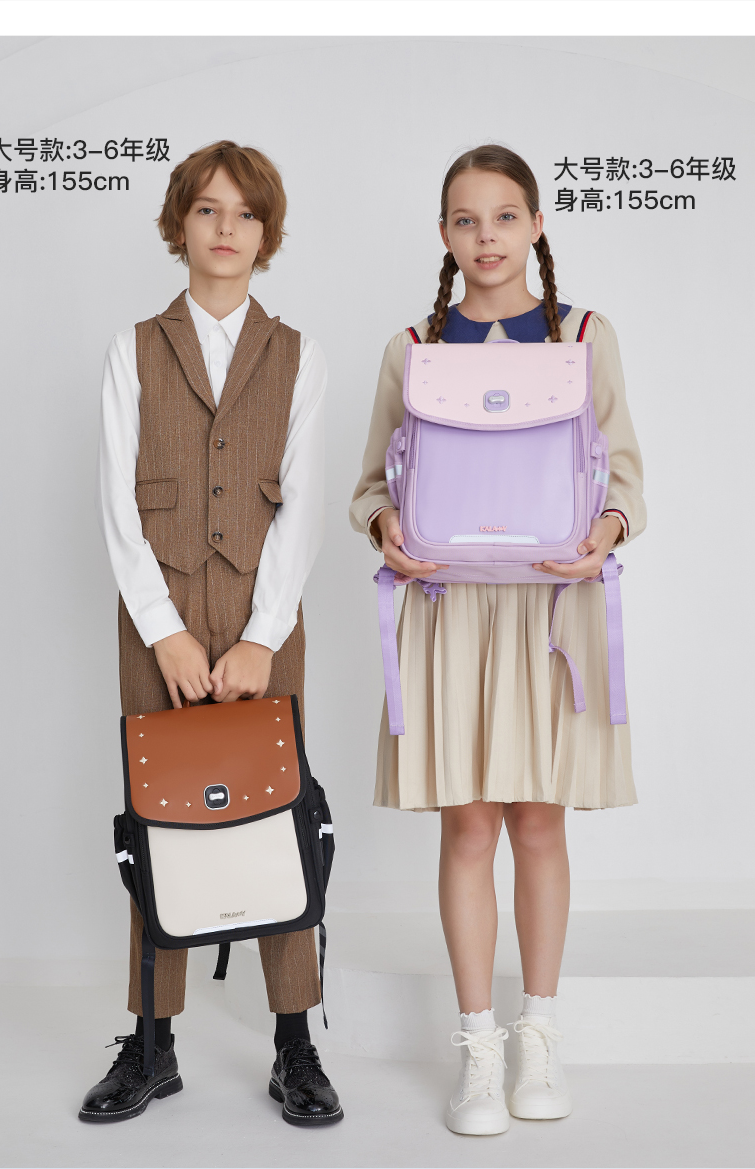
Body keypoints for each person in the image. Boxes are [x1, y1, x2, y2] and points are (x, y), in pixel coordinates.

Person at [350, 145, 645, 1136]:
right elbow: (371, 483)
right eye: (467, 220)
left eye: (506, 216)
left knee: (540, 824)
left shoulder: (584, 336)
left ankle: (539, 1035)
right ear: (444, 233)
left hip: (551, 611)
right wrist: (385, 525)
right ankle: (478, 1047)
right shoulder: (411, 348)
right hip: (450, 611)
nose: (487, 237)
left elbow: (625, 472)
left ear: (537, 225)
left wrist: (607, 530)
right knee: (469, 826)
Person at [82, 140, 342, 1126]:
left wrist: (263, 634)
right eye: (207, 209)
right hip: (158, 621)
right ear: (179, 224)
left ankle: (294, 1040)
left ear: (266, 233)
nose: (226, 228)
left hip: (265, 621)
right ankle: (152, 1043)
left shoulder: (299, 354)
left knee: (278, 812)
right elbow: (115, 502)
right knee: (160, 820)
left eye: (245, 213)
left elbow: (303, 507)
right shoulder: (133, 348)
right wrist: (164, 630)